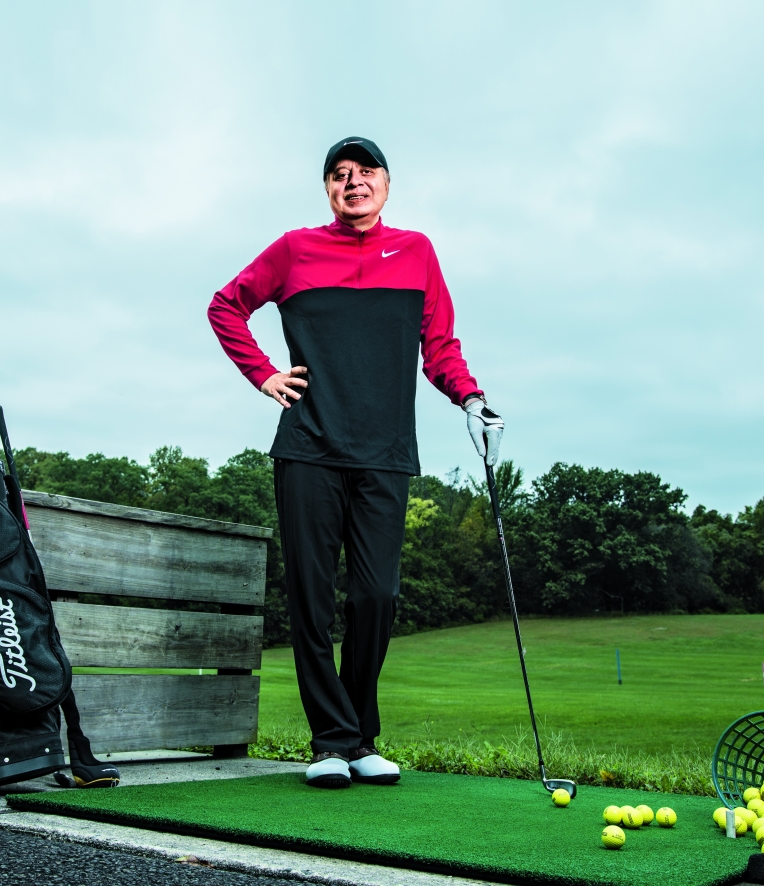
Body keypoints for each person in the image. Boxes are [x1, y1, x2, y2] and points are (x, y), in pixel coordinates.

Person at [207, 137, 504, 789]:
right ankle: (331, 743)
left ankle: (361, 735)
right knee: (312, 600)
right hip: (308, 448)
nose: (352, 181)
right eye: (338, 174)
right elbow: (225, 305)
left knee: (375, 596)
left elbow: (440, 347)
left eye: (365, 171)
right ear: (327, 190)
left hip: (385, 454)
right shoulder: (293, 250)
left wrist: (471, 397)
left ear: (387, 185)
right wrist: (262, 375)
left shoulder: (418, 252)